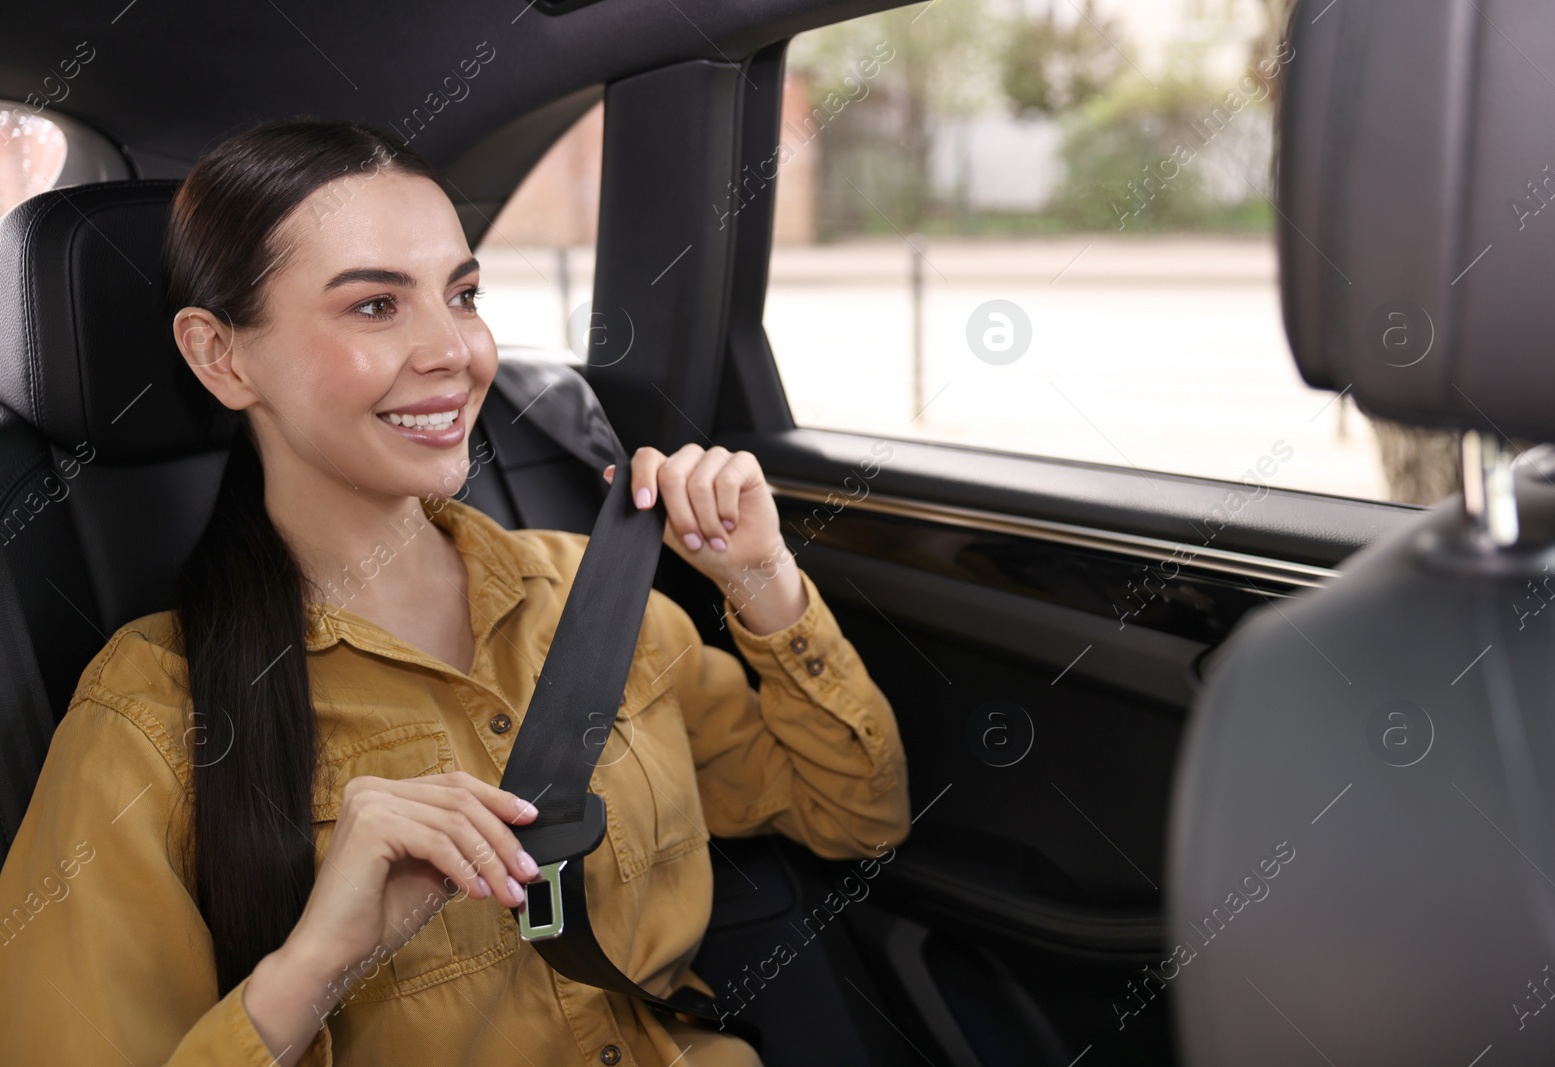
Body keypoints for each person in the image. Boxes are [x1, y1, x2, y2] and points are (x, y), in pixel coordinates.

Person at [0, 118, 910, 1066]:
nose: (457, 351)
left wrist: (760, 580)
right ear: (220, 356)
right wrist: (316, 963)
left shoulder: (595, 593)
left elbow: (853, 816)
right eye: (373, 307)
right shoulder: (153, 718)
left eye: (463, 294)